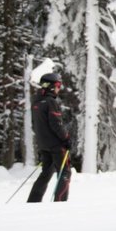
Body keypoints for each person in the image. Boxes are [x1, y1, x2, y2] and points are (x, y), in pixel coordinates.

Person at [27, 72, 72, 202]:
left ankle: (33, 202)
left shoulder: (36, 101)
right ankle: (60, 202)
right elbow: (56, 124)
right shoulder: (50, 102)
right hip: (56, 146)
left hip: (43, 144)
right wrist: (66, 138)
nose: (59, 88)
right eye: (58, 85)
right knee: (65, 172)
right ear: (51, 86)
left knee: (46, 173)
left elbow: (35, 125)